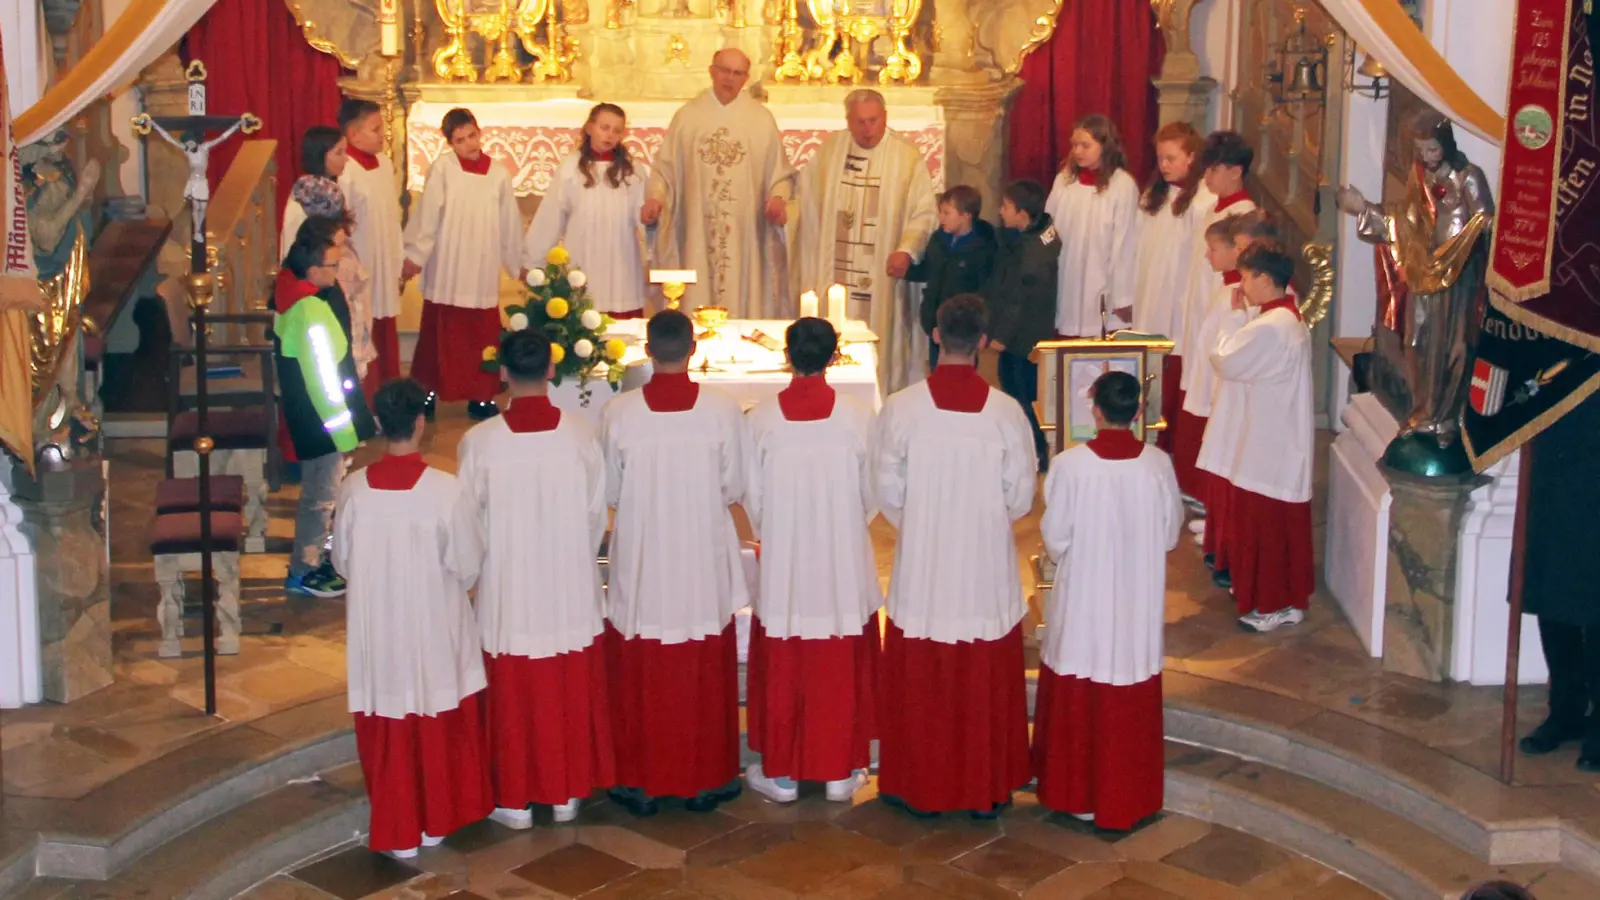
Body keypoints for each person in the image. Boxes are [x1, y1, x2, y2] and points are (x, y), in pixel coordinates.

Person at [874, 294, 1035, 818]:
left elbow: (886, 490)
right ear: (985, 344)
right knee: (981, 672)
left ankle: (915, 782)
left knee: (923, 676)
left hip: (924, 561)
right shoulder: (1007, 413)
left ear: (937, 336)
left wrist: (923, 524)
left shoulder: (902, 407)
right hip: (984, 563)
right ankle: (985, 785)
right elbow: (1021, 496)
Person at [456, 329, 615, 827]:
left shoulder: (479, 442)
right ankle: (567, 790)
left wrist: (476, 574)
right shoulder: (581, 434)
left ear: (502, 372)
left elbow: (467, 525)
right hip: (568, 580)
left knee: (514, 691)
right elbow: (596, 516)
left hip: (509, 584)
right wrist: (572, 559)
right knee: (564, 685)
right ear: (551, 370)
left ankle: (515, 797)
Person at [334, 377, 490, 859]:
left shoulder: (354, 490)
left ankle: (398, 826)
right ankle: (435, 820)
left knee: (389, 721)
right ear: (421, 423)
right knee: (435, 713)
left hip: (378, 628)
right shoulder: (446, 490)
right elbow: (467, 562)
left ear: (380, 424)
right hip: (431, 626)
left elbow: (341, 561)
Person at [601, 309, 748, 815]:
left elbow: (611, 490)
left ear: (647, 351)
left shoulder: (620, 413)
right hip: (700, 556)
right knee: (701, 667)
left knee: (644, 666)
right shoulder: (722, 409)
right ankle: (706, 776)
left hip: (645, 557)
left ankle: (640, 779)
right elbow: (734, 485)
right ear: (694, 351)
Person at [1034, 371, 1181, 831]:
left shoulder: (1070, 465)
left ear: (1095, 411)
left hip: (1085, 600)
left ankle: (1075, 794)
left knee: (1080, 680)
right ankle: (1127, 798)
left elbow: (1055, 538)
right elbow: (1170, 534)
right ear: (1138, 412)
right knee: (1127, 685)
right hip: (1135, 598)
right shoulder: (1157, 465)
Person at [742, 317, 880, 806]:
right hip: (841, 559)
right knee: (838, 656)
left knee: (786, 655)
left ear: (788, 355)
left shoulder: (760, 420)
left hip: (787, 560)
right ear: (834, 355)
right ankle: (842, 769)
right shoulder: (859, 417)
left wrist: (781, 534)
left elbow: (752, 498)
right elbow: (873, 494)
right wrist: (842, 526)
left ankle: (782, 772)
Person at [1197, 243, 1313, 633]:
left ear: (1265, 278)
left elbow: (1226, 360)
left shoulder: (1270, 327)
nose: (1242, 285)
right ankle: (1284, 599)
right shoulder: (1282, 319)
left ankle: (1271, 604)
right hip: (1276, 438)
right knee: (1276, 527)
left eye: (1246, 277)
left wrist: (1231, 318)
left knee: (1264, 528)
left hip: (1268, 445)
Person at [794, 89, 937, 392]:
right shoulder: (831, 152)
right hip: (837, 272)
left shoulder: (906, 158)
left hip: (882, 279)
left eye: (873, 121)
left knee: (881, 340)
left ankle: (879, 395)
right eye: (860, 122)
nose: (867, 129)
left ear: (885, 117)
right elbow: (803, 201)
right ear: (848, 120)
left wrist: (907, 250)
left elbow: (924, 212)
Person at [641, 49, 795, 316]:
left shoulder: (760, 120)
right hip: (696, 229)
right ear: (712, 71)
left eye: (737, 74)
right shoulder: (688, 117)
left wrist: (778, 199)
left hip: (745, 231)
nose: (730, 79)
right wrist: (656, 198)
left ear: (746, 78)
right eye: (725, 71)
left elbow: (779, 174)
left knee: (742, 287)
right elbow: (664, 170)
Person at [274, 221, 377, 598]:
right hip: (323, 423)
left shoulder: (292, 301)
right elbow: (323, 380)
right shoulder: (311, 311)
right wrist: (345, 431)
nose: (337, 272)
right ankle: (306, 570)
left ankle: (311, 561)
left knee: (317, 494)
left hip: (308, 419)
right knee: (320, 497)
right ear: (314, 271)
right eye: (332, 266)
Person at [402, 107, 523, 421]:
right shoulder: (442, 168)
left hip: (481, 262)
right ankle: (427, 390)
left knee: (481, 333)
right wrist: (416, 256)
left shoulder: (498, 173)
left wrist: (516, 262)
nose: (469, 144)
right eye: (460, 140)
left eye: (472, 135)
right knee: (438, 331)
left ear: (479, 132)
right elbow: (428, 215)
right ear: (450, 143)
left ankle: (480, 395)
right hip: (448, 262)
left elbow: (508, 222)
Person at [522, 102, 648, 318]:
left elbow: (645, 219)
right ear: (590, 127)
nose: (609, 135)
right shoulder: (571, 167)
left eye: (616, 131)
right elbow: (551, 216)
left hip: (622, 262)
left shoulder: (633, 171)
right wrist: (533, 261)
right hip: (583, 259)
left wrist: (662, 254)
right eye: (604, 127)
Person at [1132, 122, 1212, 455]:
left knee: (1171, 383)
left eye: (1171, 157)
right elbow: (1138, 250)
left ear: (1192, 157)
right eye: (1160, 158)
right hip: (1149, 298)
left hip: (1179, 305)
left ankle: (1168, 450)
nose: (1164, 165)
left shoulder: (1205, 201)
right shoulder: (1153, 195)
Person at [1177, 216, 1246, 568]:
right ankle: (1216, 522)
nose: (1207, 256)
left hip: (1225, 386)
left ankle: (1219, 524)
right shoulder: (1227, 287)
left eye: (1213, 249)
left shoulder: (1239, 294)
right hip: (1212, 378)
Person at [983, 178, 1059, 473]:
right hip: (1023, 334)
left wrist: (1000, 335)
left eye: (1005, 207)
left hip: (1024, 337)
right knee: (1017, 390)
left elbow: (1017, 298)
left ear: (1022, 215)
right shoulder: (1036, 237)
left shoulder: (1032, 255)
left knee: (1022, 394)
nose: (1001, 212)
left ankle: (1035, 453)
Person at [1045, 114, 1139, 337]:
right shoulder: (1065, 181)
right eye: (1075, 145)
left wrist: (1122, 296)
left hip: (1101, 282)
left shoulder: (1122, 185)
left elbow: (1125, 244)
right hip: (1066, 277)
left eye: (1085, 145)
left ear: (1105, 146)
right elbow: (1049, 227)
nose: (1078, 151)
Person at [338, 99, 406, 390]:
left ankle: (388, 394)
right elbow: (344, 224)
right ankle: (367, 401)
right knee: (363, 329)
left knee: (385, 327)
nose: (382, 134)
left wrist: (397, 261)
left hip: (385, 262)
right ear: (353, 135)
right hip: (361, 265)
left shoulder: (385, 164)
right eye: (375, 129)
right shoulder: (346, 170)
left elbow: (391, 217)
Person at [907, 184, 995, 369]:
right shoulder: (938, 239)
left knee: (962, 373)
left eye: (947, 213)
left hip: (963, 327)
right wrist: (906, 271)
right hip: (936, 321)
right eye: (941, 212)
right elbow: (929, 269)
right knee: (937, 370)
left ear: (966, 215)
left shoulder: (984, 248)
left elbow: (987, 288)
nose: (941, 218)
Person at [279, 126, 347, 259]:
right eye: (339, 153)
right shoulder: (307, 192)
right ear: (320, 155)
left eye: (345, 152)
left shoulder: (331, 187)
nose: (346, 158)